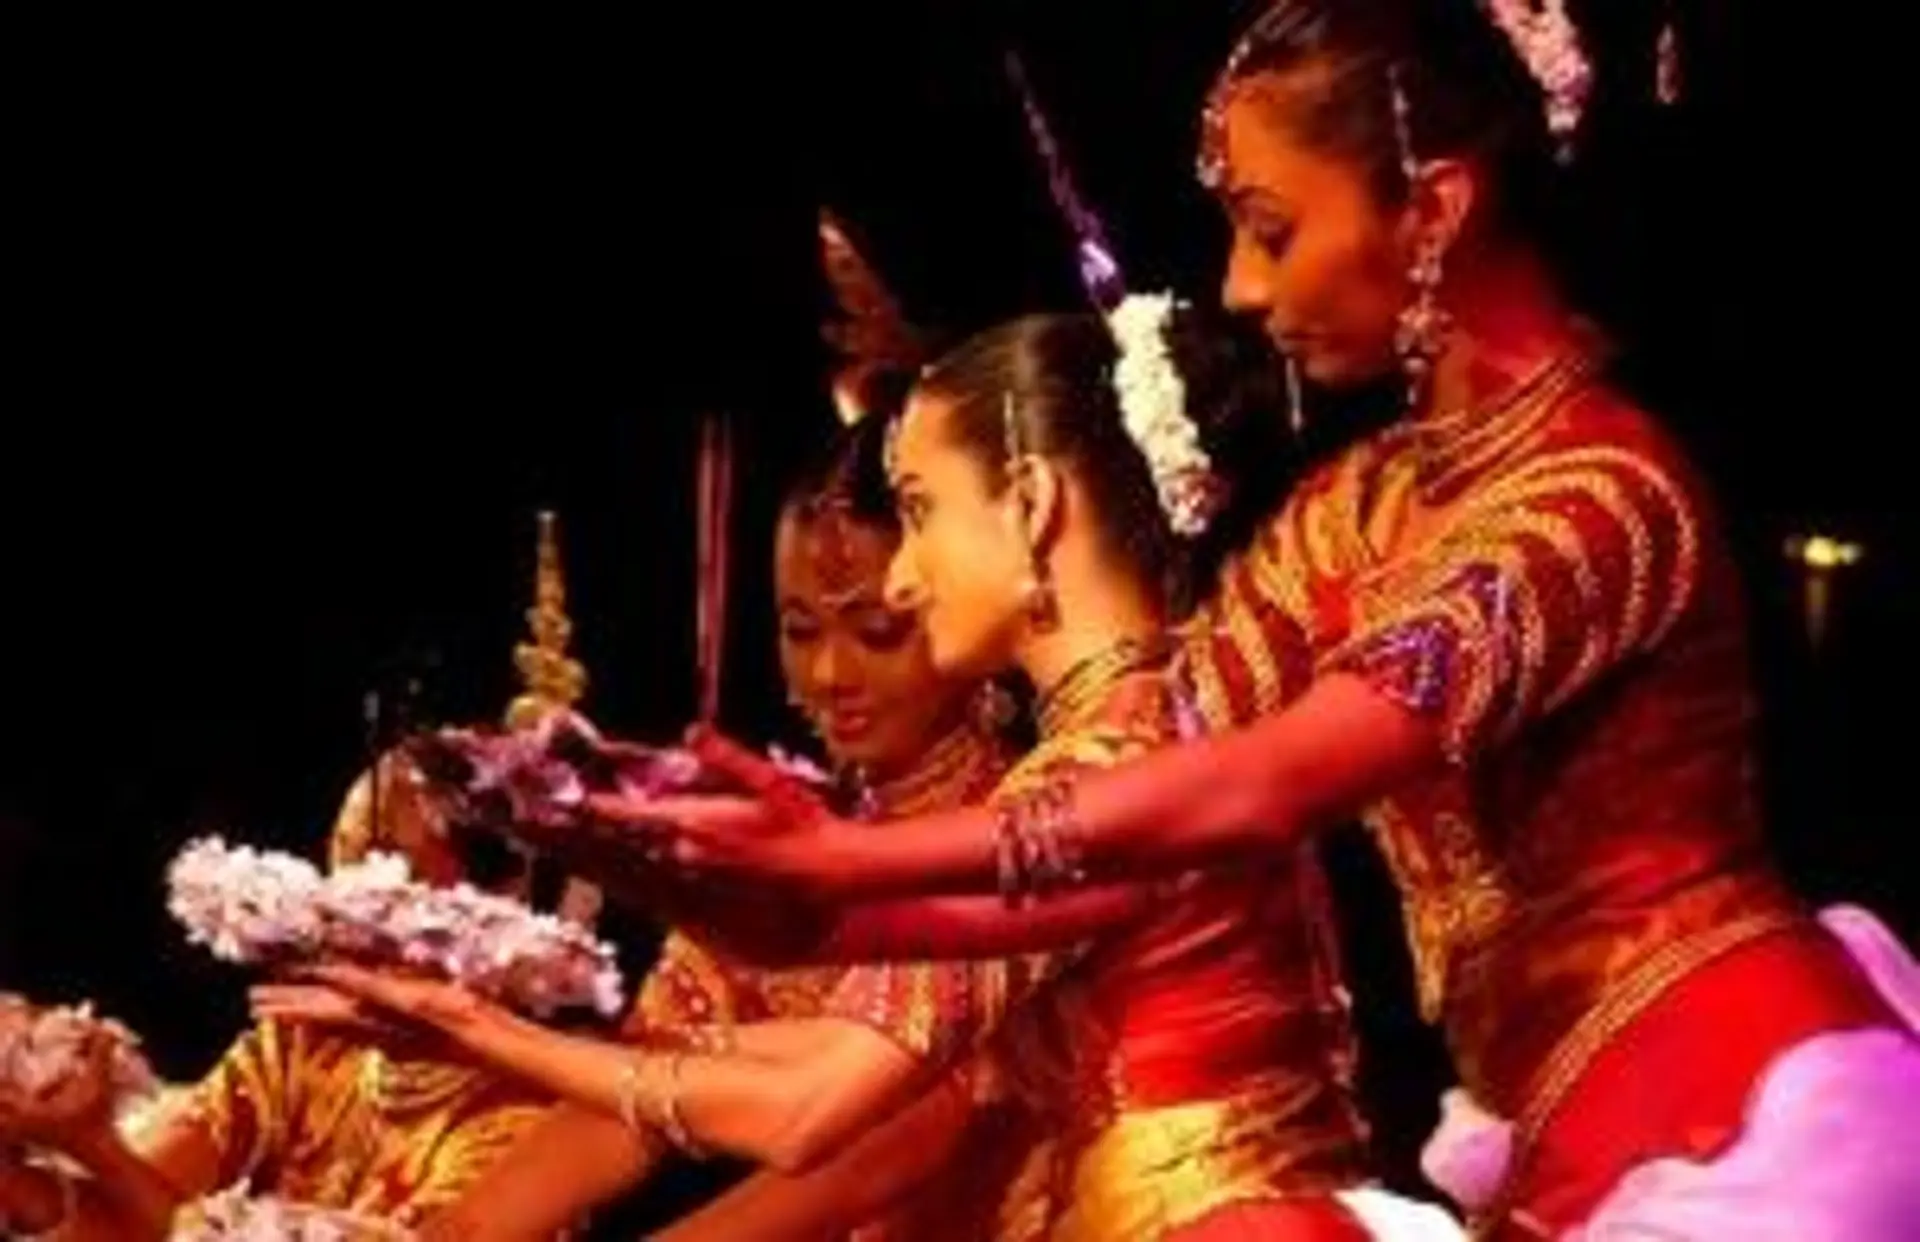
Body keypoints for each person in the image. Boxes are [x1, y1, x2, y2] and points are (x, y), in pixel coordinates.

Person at [608, 3, 1920, 1238]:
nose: (1236, 286)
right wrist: (799, 905)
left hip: (1751, 1117)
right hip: (1561, 1139)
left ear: (1434, 210)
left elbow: (1261, 786)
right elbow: (1141, 801)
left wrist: (847, 869)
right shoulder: (1355, 509)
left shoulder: (1598, 498)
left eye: (1271, 229)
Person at [308, 309, 1481, 1240]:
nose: (909, 578)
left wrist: (472, 1028)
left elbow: (815, 1102)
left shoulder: (1113, 762)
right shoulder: (1135, 736)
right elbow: (796, 1028)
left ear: (1029, 509)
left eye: (919, 515)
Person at [303, 416, 1026, 1242]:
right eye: (800, 631)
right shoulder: (794, 827)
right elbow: (645, 1083)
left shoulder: (1007, 827)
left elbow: (898, 1137)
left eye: (876, 634)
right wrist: (459, 1231)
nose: (830, 673)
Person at [0, 753, 556, 1240]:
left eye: (387, 869)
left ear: (499, 904)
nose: (339, 902)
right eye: (343, 861)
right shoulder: (306, 1043)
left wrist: (95, 1144)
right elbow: (135, 1219)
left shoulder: (527, 1119)